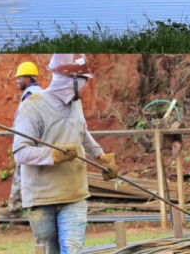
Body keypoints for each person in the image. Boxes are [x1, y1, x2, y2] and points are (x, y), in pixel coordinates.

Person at [13, 54, 120, 254]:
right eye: (83, 81)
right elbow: (20, 153)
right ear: (69, 80)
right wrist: (52, 155)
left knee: (72, 249)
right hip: (41, 197)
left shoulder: (75, 104)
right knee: (49, 251)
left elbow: (82, 131)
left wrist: (100, 156)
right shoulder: (32, 107)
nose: (85, 86)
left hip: (74, 193)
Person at [0, 61, 44, 217]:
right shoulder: (39, 93)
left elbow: (31, 117)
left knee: (21, 170)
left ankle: (15, 207)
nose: (16, 81)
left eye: (19, 78)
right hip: (37, 139)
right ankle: (28, 206)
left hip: (31, 140)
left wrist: (21, 130)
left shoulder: (31, 95)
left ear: (28, 79)